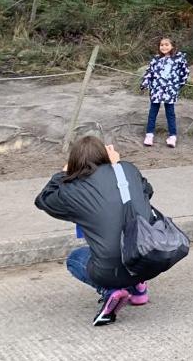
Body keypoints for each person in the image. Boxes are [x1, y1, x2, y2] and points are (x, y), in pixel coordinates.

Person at [34, 135, 154, 326]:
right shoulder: (128, 170)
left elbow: (43, 199)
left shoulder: (73, 189)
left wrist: (62, 173)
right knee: (121, 243)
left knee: (76, 259)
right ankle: (138, 288)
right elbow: (147, 190)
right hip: (149, 259)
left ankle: (110, 291)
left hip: (112, 266)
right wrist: (118, 166)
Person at [141, 37, 189, 147]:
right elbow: (150, 72)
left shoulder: (178, 59)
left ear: (172, 46)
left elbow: (185, 72)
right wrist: (145, 83)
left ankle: (172, 136)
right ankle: (149, 134)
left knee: (170, 113)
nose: (164, 47)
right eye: (161, 45)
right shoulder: (156, 59)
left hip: (170, 90)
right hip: (156, 90)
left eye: (167, 44)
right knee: (153, 112)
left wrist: (178, 84)